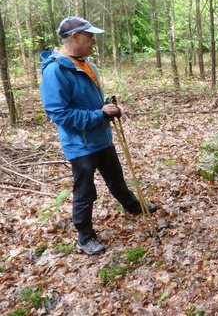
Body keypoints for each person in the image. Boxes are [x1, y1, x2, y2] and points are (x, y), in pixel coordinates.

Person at [39, 16, 157, 255]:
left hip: (101, 137)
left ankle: (132, 206)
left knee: (116, 178)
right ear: (74, 37)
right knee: (84, 191)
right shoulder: (56, 71)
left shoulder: (87, 64)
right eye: (89, 36)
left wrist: (110, 108)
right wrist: (99, 114)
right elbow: (59, 114)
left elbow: (93, 103)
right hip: (80, 143)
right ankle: (84, 237)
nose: (94, 40)